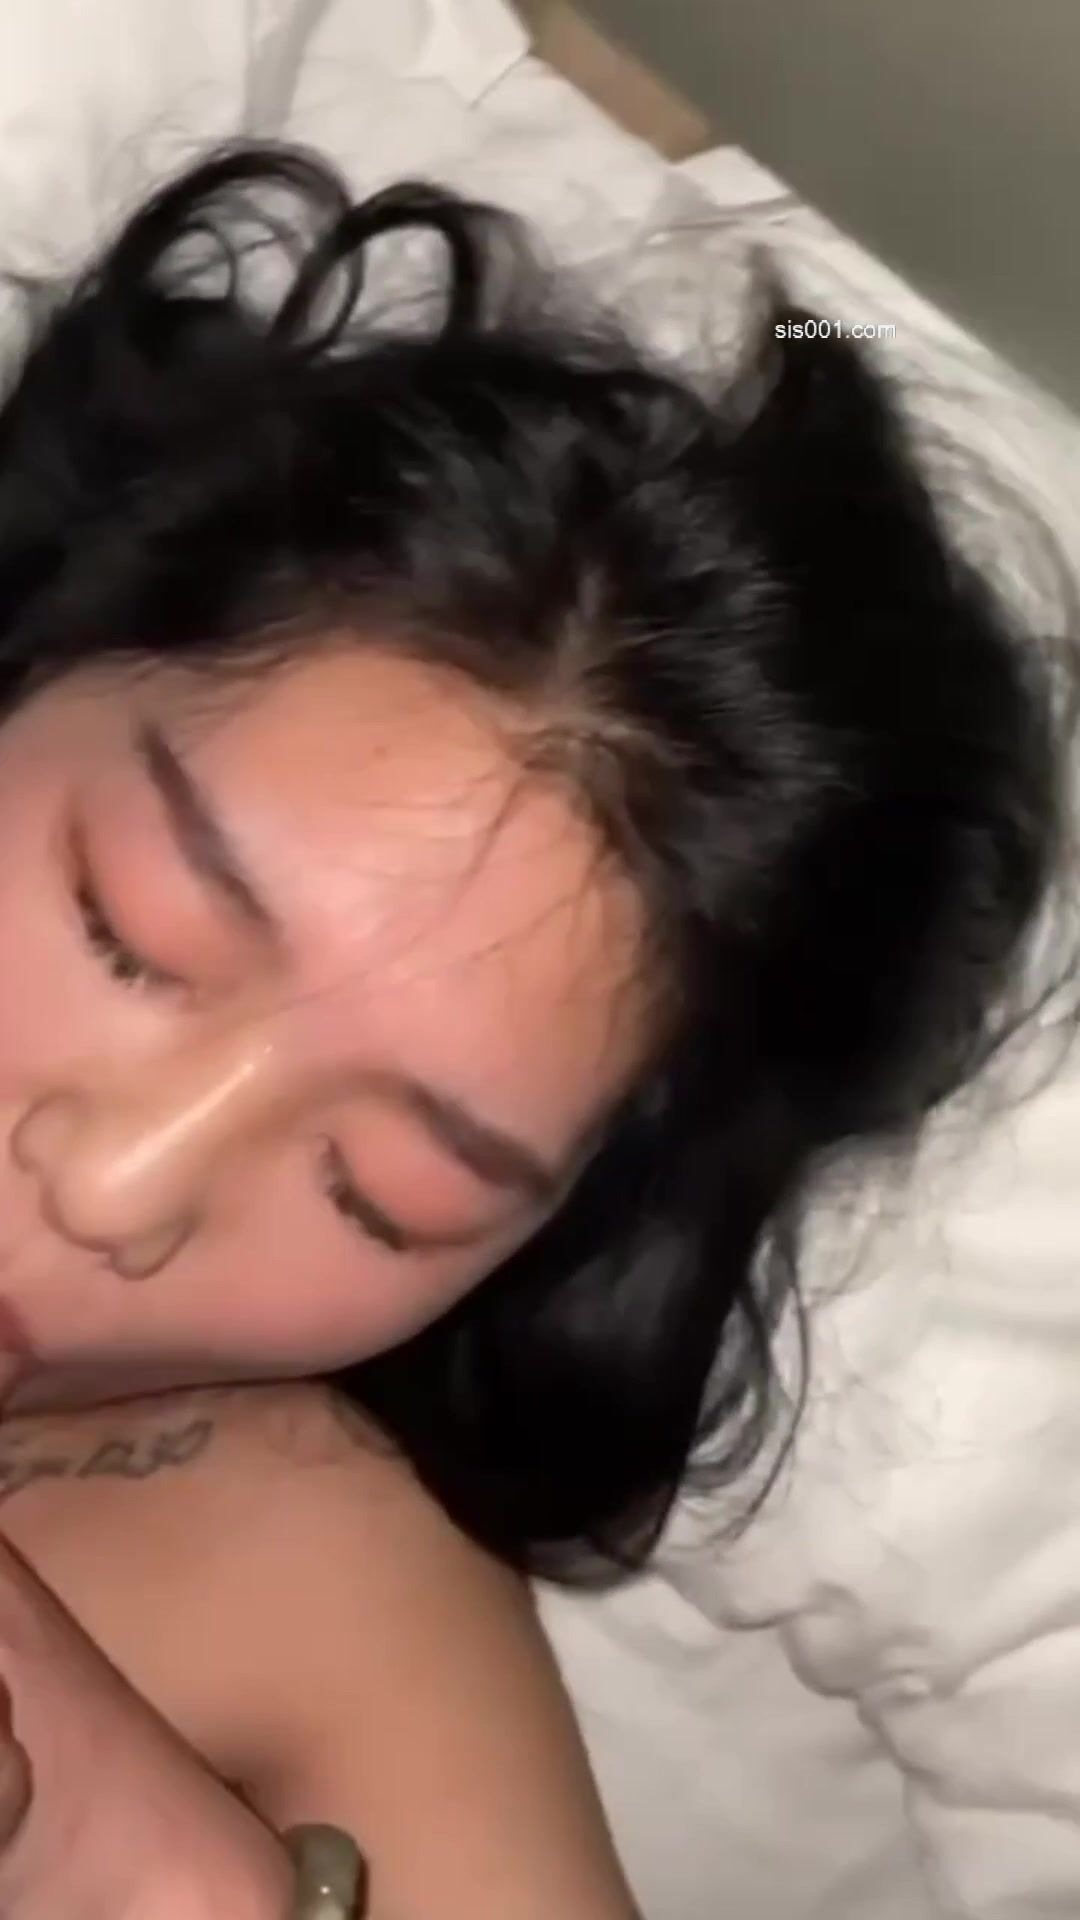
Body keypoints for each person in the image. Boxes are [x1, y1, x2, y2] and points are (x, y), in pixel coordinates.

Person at [0, 139, 1069, 1917]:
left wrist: (128, 1851)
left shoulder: (300, 1551)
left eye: (378, 1195)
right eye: (129, 930)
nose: (118, 1184)